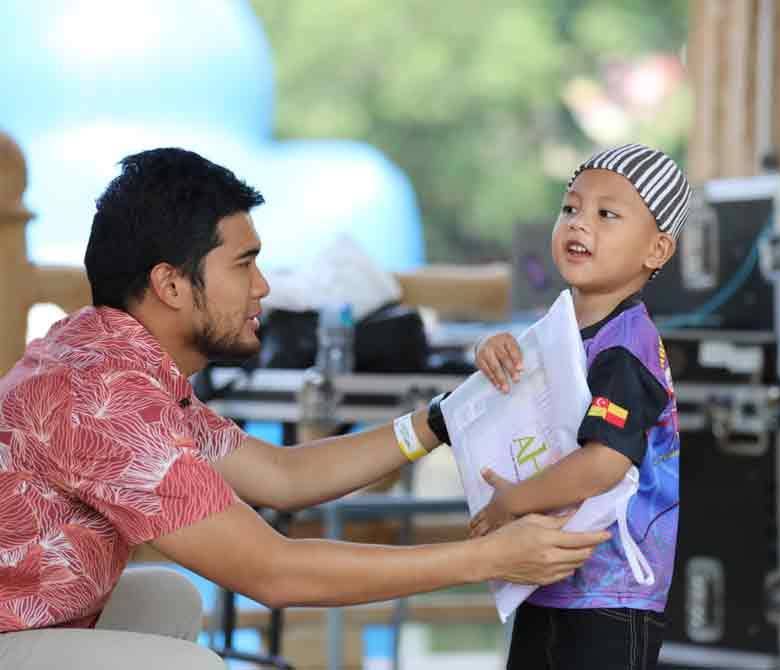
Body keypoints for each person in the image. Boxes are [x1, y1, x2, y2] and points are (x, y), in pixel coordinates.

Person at [0, 148, 609, 670]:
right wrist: (487, 557)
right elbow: (275, 573)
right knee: (187, 665)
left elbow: (281, 477)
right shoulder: (105, 401)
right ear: (171, 285)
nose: (262, 286)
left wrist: (438, 421)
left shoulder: (105, 352)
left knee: (167, 601)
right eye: (244, 263)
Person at [469, 143, 691, 669]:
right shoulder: (560, 329)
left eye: (607, 214)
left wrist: (516, 501)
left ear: (657, 250)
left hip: (609, 599)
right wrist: (492, 353)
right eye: (570, 208)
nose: (579, 224)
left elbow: (605, 460)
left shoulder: (625, 347)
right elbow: (519, 397)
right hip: (549, 578)